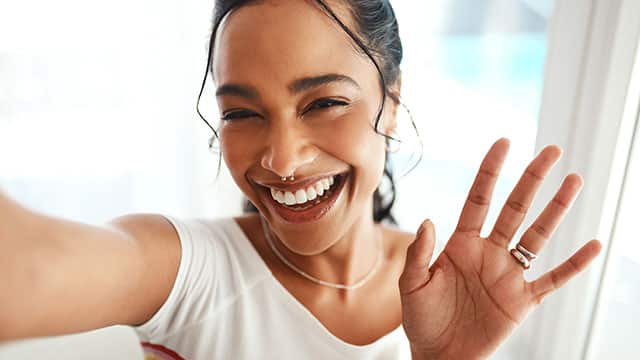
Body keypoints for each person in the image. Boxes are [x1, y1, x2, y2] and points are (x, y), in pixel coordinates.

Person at [0, 0, 602, 359]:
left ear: (391, 101)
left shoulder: (469, 296)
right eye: (241, 112)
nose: (282, 161)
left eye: (322, 103)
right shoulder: (193, 273)